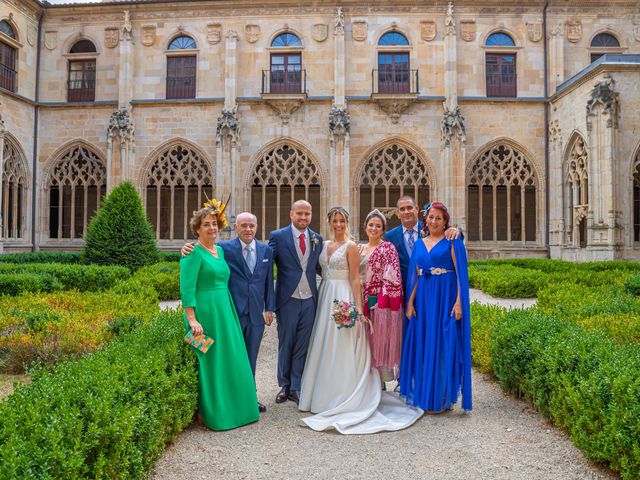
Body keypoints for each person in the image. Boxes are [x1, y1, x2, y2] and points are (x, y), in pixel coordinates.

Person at [299, 207, 423, 434]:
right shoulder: (324, 245)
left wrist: (357, 306)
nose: (338, 224)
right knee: (325, 343)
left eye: (342, 220)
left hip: (348, 295)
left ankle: (352, 391)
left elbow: (355, 278)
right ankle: (322, 393)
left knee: (347, 343)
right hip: (326, 295)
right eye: (334, 220)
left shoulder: (354, 247)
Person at [182, 213, 275, 413]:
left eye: (214, 224)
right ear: (235, 226)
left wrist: (269, 307)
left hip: (229, 312)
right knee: (211, 357)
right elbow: (187, 286)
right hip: (211, 314)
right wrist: (191, 318)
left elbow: (268, 281)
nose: (212, 228)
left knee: (239, 357)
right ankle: (209, 405)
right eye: (206, 225)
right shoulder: (223, 248)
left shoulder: (220, 251)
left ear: (257, 227)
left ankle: (245, 398)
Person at [400, 201, 472, 414]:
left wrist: (459, 302)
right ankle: (426, 396)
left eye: (438, 218)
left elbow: (461, 275)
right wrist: (410, 303)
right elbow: (414, 274)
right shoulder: (420, 244)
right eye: (431, 217)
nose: (434, 221)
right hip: (424, 297)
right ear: (425, 219)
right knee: (425, 344)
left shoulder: (453, 241)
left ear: (445, 221)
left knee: (443, 344)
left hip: (446, 296)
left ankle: (442, 398)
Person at [269, 200, 323, 405]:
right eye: (299, 213)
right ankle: (284, 384)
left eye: (307, 214)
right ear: (291, 214)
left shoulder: (317, 238)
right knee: (286, 342)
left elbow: (320, 267)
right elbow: (265, 265)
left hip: (309, 298)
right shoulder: (278, 236)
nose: (303, 217)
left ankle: (296, 385)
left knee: (302, 344)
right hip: (287, 298)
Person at [359, 209, 403, 386]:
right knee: (364, 341)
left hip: (379, 301)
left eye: (378, 226)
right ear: (365, 227)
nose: (374, 228)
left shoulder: (388, 248)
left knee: (379, 340)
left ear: (383, 229)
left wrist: (379, 301)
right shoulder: (359, 248)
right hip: (360, 298)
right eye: (371, 225)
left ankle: (380, 383)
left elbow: (392, 276)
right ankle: (366, 380)